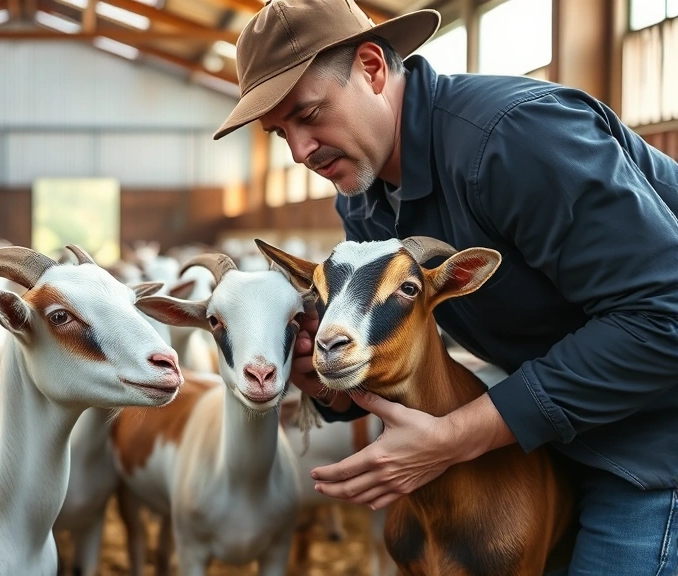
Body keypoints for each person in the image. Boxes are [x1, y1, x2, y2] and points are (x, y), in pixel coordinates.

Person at [212, 0, 678, 573]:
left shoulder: (516, 139)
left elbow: (665, 316)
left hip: (657, 437)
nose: (300, 150)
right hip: (560, 435)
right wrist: (328, 382)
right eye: (280, 132)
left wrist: (459, 435)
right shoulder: (364, 198)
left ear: (373, 68)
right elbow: (399, 344)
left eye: (308, 114)